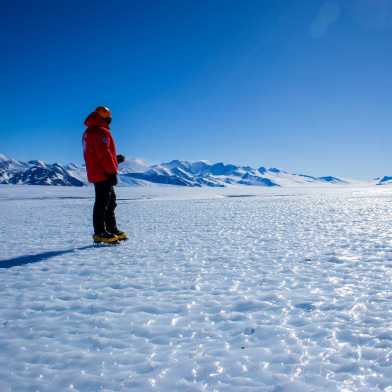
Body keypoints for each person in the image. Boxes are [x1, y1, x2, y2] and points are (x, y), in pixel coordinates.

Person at [82, 106, 127, 244]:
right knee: (103, 202)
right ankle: (100, 232)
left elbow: (99, 153)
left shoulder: (91, 131)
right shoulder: (99, 131)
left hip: (99, 171)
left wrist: (115, 158)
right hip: (103, 173)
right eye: (109, 116)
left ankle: (111, 229)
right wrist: (111, 171)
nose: (110, 119)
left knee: (110, 201)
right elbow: (103, 154)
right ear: (104, 117)